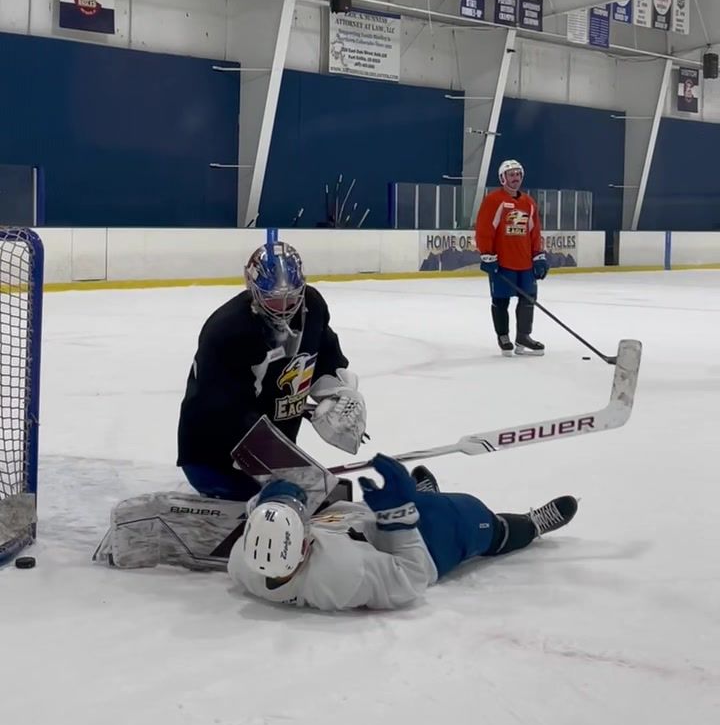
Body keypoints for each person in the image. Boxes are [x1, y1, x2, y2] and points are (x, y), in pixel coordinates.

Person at [227, 454, 577, 611]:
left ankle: (425, 497)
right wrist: (398, 520)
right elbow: (410, 580)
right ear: (303, 548)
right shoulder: (340, 577)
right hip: (422, 547)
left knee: (424, 502)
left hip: (357, 523)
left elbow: (257, 517)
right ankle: (528, 526)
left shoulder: (243, 562)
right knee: (471, 514)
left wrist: (275, 498)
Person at [177, 231, 366, 501]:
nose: (285, 308)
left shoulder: (312, 306)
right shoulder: (228, 331)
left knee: (315, 506)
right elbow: (224, 416)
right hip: (214, 458)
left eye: (292, 296)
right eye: (273, 298)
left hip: (271, 449)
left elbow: (324, 356)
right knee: (295, 512)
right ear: (253, 290)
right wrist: (287, 471)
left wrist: (337, 394)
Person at [475, 159, 547, 356]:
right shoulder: (493, 200)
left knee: (528, 299)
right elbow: (484, 230)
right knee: (501, 299)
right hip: (503, 262)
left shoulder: (528, 203)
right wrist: (487, 255)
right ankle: (503, 336)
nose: (515, 178)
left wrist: (538, 255)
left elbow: (534, 232)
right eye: (511, 174)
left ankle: (523, 336)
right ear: (502, 178)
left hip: (525, 263)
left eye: (518, 174)